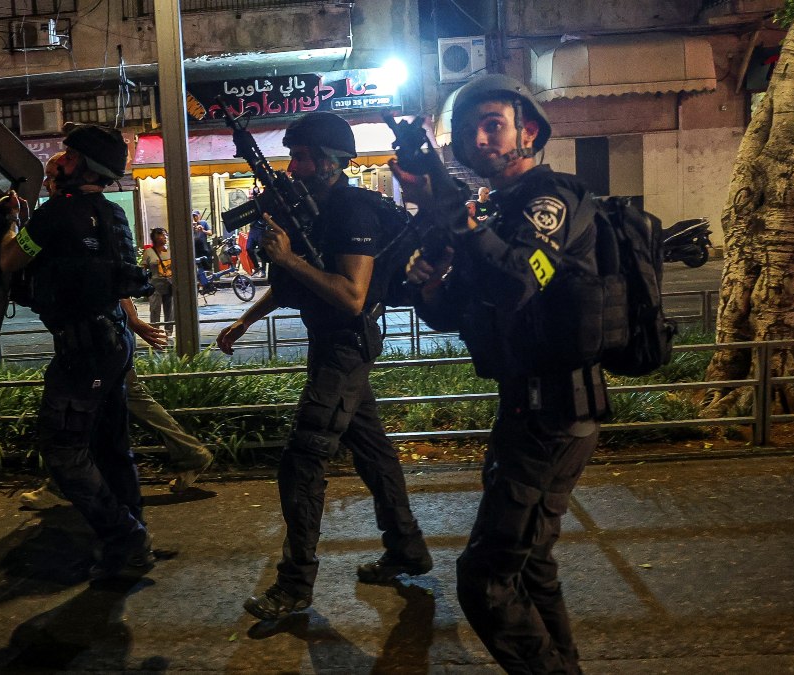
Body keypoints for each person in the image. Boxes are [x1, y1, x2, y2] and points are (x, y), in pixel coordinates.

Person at [392, 74, 608, 674]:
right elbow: (457, 306)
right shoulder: (496, 211)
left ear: (528, 132)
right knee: (532, 566)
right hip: (530, 410)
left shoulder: (550, 200)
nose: (478, 137)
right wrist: (428, 284)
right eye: (467, 129)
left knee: (485, 581)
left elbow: (517, 279)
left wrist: (457, 221)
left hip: (554, 414)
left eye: (493, 124)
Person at [215, 112, 431, 621]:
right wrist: (247, 318)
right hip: (328, 346)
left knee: (302, 460)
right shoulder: (313, 208)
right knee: (373, 452)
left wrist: (288, 259)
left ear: (332, 161)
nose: (294, 166)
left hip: (344, 347)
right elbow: (302, 281)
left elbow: (352, 296)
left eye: (304, 157)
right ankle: (408, 547)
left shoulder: (352, 212)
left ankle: (294, 586)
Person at [0, 124, 158, 581]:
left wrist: (9, 222)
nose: (59, 160)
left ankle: (126, 538)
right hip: (115, 341)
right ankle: (132, 542)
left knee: (64, 450)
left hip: (83, 351)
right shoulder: (113, 214)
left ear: (82, 166)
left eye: (66, 156)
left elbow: (11, 260)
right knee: (111, 447)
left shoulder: (54, 215)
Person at [20, 296, 215, 508]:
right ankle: (191, 453)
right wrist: (132, 320)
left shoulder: (58, 263)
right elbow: (117, 281)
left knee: (71, 408)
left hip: (91, 342)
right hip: (110, 337)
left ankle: (65, 484)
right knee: (130, 397)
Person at [141, 227, 174, 326]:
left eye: (166, 235)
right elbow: (143, 267)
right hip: (155, 286)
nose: (165, 237)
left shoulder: (170, 251)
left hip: (169, 285)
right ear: (155, 238)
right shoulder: (149, 252)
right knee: (155, 310)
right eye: (162, 235)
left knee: (170, 310)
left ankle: (169, 332)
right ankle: (155, 330)